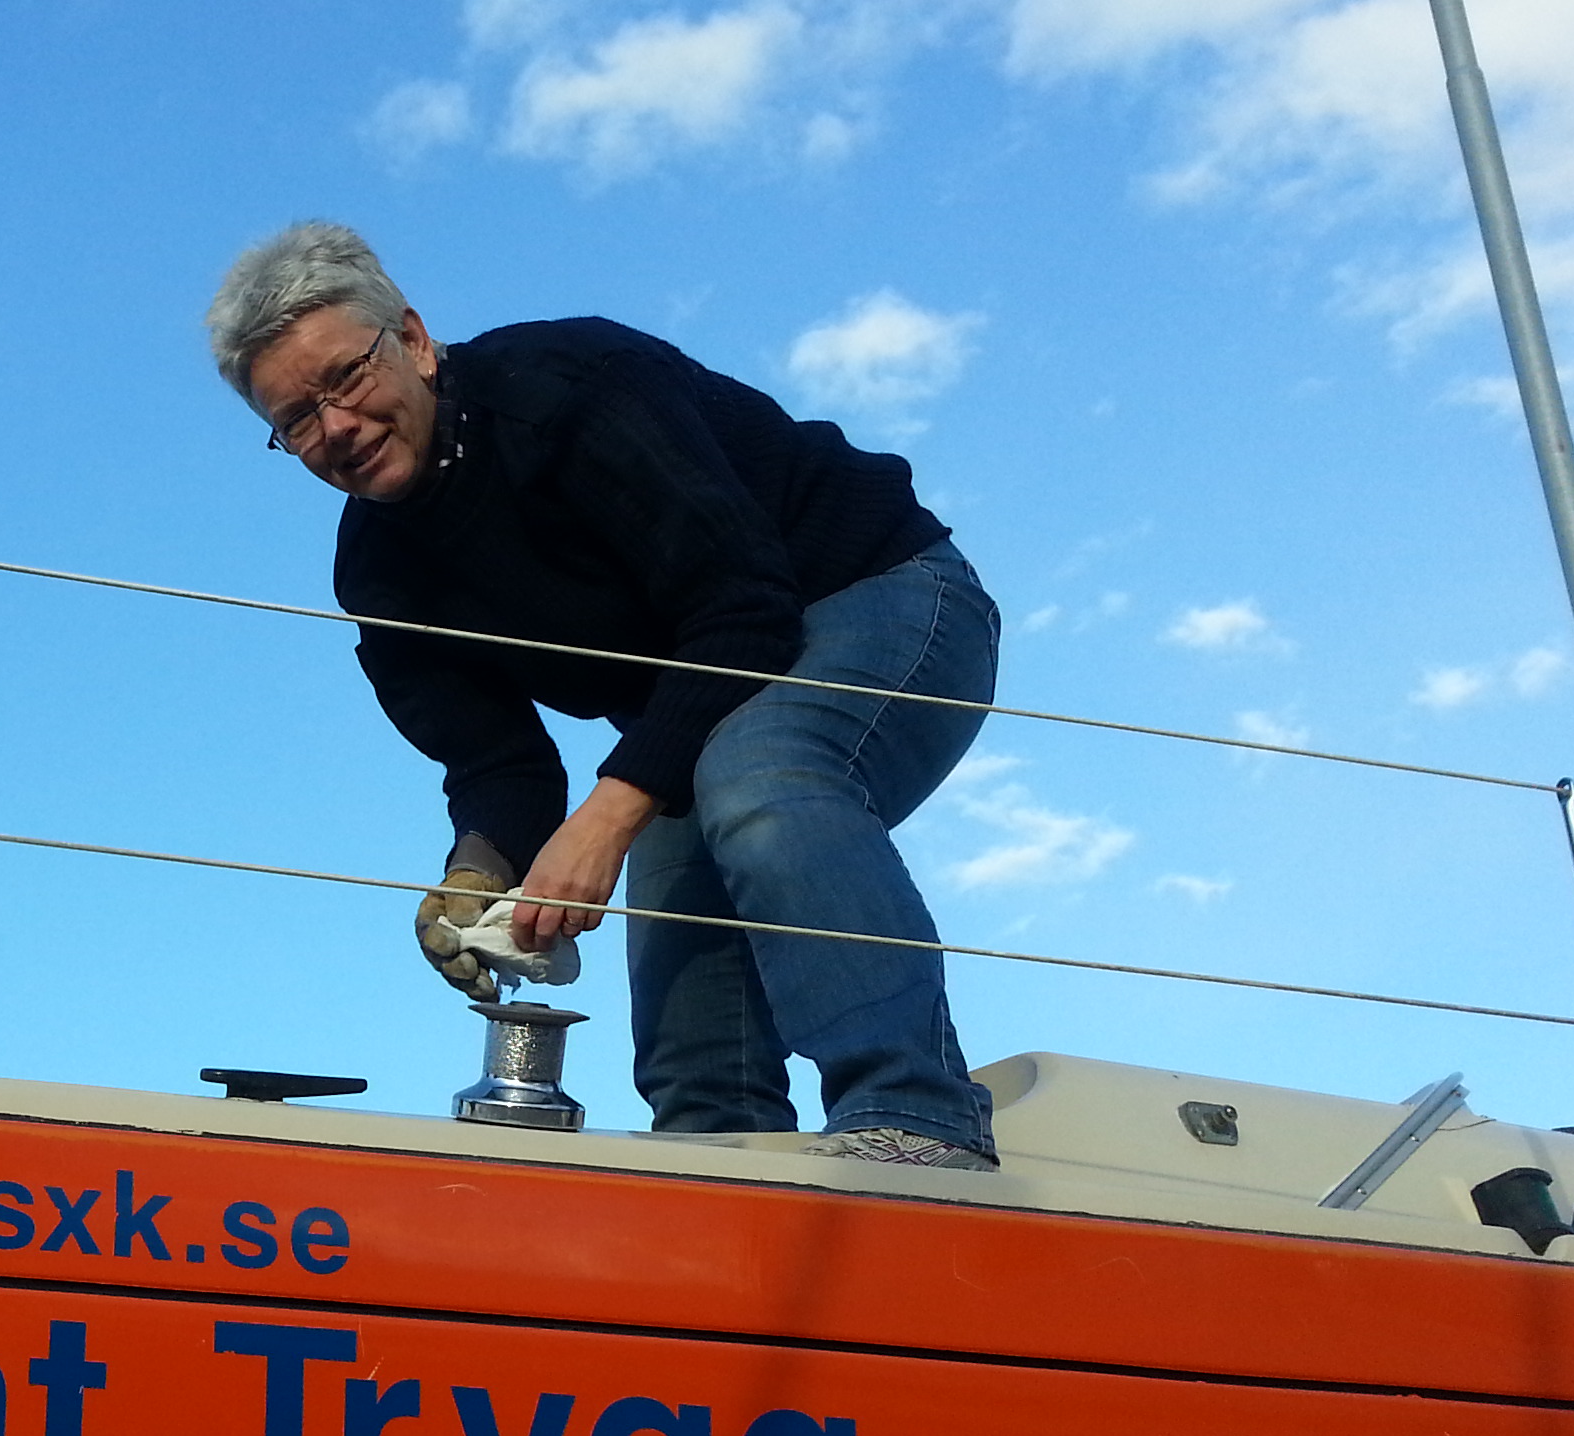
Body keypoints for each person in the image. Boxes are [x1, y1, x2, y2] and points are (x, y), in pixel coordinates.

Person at [205, 221, 1004, 1170]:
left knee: (761, 778)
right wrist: (477, 872)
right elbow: (496, 761)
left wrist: (607, 817)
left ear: (414, 341)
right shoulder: (379, 572)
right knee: (686, 1021)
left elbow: (744, 608)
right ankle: (721, 1185)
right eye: (297, 419)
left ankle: (917, 1117)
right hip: (698, 707)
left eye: (346, 377)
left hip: (884, 596)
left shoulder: (575, 384)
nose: (335, 426)